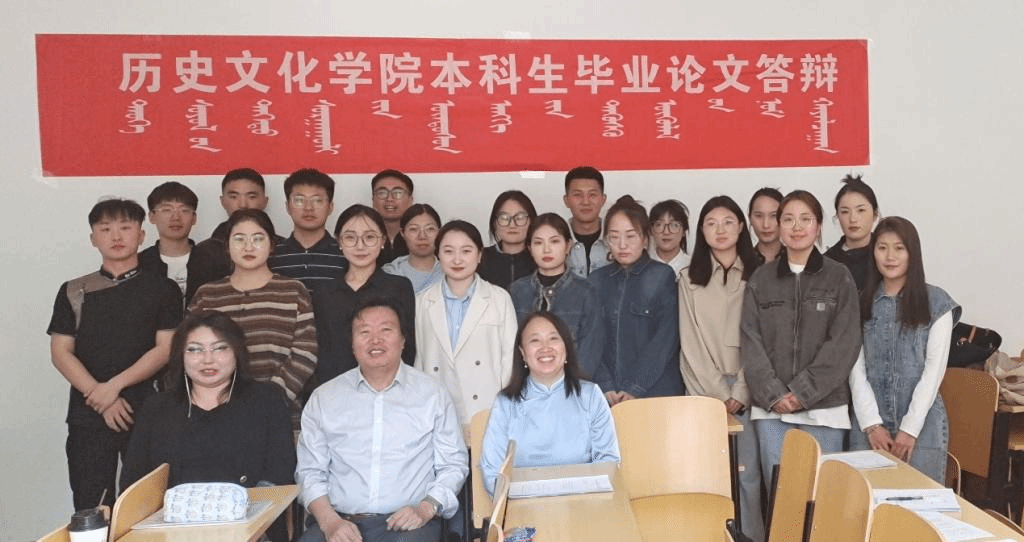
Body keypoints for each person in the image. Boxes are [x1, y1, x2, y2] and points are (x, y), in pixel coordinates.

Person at [47, 198, 182, 509]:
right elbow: (60, 352)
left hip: (148, 409)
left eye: (125, 227)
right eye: (106, 229)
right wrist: (100, 395)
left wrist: (113, 387)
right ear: (93, 238)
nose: (116, 236)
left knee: (149, 505)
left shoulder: (164, 289)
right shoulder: (74, 290)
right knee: (90, 505)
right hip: (88, 412)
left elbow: (165, 349)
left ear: (141, 235)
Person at [296, 297, 468, 542]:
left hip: (409, 524)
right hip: (340, 522)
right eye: (364, 332)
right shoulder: (324, 398)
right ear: (352, 343)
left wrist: (425, 509)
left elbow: (452, 465)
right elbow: (310, 472)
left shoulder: (432, 394)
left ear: (403, 339)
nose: (375, 340)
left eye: (386, 330)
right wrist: (330, 522)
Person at [741, 190, 861, 484]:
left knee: (822, 494)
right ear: (779, 227)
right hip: (772, 410)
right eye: (788, 220)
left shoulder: (839, 276)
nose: (797, 227)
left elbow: (844, 342)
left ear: (818, 226)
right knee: (780, 495)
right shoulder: (761, 279)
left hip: (825, 409)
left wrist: (803, 392)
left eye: (805, 219)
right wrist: (774, 394)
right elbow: (751, 341)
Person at [121, 310, 295, 490]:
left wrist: (251, 505)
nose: (207, 359)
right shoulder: (157, 408)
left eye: (219, 348)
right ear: (180, 355)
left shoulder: (266, 400)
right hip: (171, 508)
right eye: (194, 349)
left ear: (237, 352)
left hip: (251, 506)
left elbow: (280, 472)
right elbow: (133, 481)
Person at [849, 217, 959, 483]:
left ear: (913, 253)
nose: (890, 257)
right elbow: (855, 369)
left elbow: (933, 372)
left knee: (919, 504)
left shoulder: (937, 302)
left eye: (899, 248)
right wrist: (872, 425)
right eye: (882, 248)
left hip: (923, 426)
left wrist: (909, 429)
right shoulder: (861, 302)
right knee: (865, 503)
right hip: (868, 425)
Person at [678, 196, 763, 542]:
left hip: (749, 388)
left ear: (741, 226)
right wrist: (718, 393)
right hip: (703, 390)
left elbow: (762, 339)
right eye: (711, 223)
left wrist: (741, 390)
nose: (720, 230)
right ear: (701, 231)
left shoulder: (761, 274)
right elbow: (690, 342)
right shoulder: (689, 278)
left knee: (748, 475)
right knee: (705, 475)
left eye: (728, 221)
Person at [189, 209, 317, 432]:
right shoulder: (207, 295)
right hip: (215, 417)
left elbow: (305, 354)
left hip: (280, 416)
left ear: (272, 245)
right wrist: (218, 399)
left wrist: (267, 400)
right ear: (227, 246)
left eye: (258, 238)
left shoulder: (294, 291)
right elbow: (189, 351)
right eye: (239, 239)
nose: (248, 247)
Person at [480, 311, 619, 495]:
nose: (545, 348)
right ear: (522, 353)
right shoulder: (505, 403)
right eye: (535, 340)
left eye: (553, 338)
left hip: (583, 501)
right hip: (523, 504)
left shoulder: (591, 396)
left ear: (566, 348)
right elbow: (493, 473)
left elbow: (608, 462)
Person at [414, 220, 517, 428]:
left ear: (479, 255)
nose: (457, 259)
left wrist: (505, 409)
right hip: (438, 409)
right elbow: (420, 361)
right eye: (448, 251)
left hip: (487, 410)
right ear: (438, 255)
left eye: (466, 251)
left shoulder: (499, 299)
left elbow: (510, 360)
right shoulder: (422, 301)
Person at [590, 196, 682, 405]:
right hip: (608, 396)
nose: (622, 245)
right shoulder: (596, 280)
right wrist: (605, 384)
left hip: (655, 393)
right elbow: (589, 339)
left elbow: (665, 340)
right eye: (614, 237)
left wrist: (635, 386)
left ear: (645, 239)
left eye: (631, 236)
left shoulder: (662, 276)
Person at [313, 205, 416, 387]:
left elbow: (407, 347)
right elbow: (321, 350)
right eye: (350, 237)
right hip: (335, 389)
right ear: (339, 241)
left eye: (369, 237)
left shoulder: (399, 287)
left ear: (382, 240)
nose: (360, 246)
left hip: (389, 389)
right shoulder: (324, 291)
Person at [508, 213, 606, 384]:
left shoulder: (586, 292)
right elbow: (510, 347)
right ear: (529, 248)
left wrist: (567, 388)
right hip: (526, 387)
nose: (546, 249)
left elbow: (591, 350)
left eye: (554, 241)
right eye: (538, 243)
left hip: (572, 387)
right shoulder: (517, 291)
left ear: (568, 246)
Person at [139, 181, 222, 307]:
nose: (176, 217)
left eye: (184, 210)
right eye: (167, 210)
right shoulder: (139, 264)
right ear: (151, 217)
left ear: (194, 218)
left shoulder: (213, 263)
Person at [268, 168, 347, 299]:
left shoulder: (346, 253)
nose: (308, 208)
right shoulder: (271, 254)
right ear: (287, 207)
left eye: (317, 200)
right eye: (299, 200)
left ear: (330, 207)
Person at [193, 168, 272, 282]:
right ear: (222, 201)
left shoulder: (281, 247)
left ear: (265, 201)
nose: (243, 205)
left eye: (252, 197)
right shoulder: (204, 251)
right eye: (234, 197)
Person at [824, 174, 879, 290]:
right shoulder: (827, 262)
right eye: (845, 212)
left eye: (861, 210)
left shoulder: (886, 256)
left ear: (875, 214)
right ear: (837, 216)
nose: (853, 219)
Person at [478, 190, 538, 290]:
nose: (512, 225)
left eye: (520, 217)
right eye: (504, 218)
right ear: (494, 223)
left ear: (532, 221)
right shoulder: (479, 259)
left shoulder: (542, 258)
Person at [383, 204, 444, 294]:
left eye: (430, 229)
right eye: (414, 229)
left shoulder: (450, 272)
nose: (422, 236)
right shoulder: (388, 273)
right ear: (402, 233)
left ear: (439, 232)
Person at [563, 166, 610, 277]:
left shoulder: (617, 240)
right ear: (566, 200)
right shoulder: (555, 241)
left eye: (592, 195)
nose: (585, 202)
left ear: (603, 200)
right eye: (577, 195)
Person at [371, 169, 415, 265]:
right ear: (373, 200)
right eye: (382, 193)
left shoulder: (421, 238)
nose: (389, 199)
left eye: (398, 193)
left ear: (410, 200)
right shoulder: (362, 239)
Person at [648, 199, 691, 278]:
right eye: (659, 225)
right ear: (651, 230)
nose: (666, 232)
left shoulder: (694, 267)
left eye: (674, 225)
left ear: (684, 232)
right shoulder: (641, 266)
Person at [747, 187, 784, 266]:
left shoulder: (799, 260)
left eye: (773, 216)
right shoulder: (741, 262)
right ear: (750, 218)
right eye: (758, 216)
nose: (766, 225)